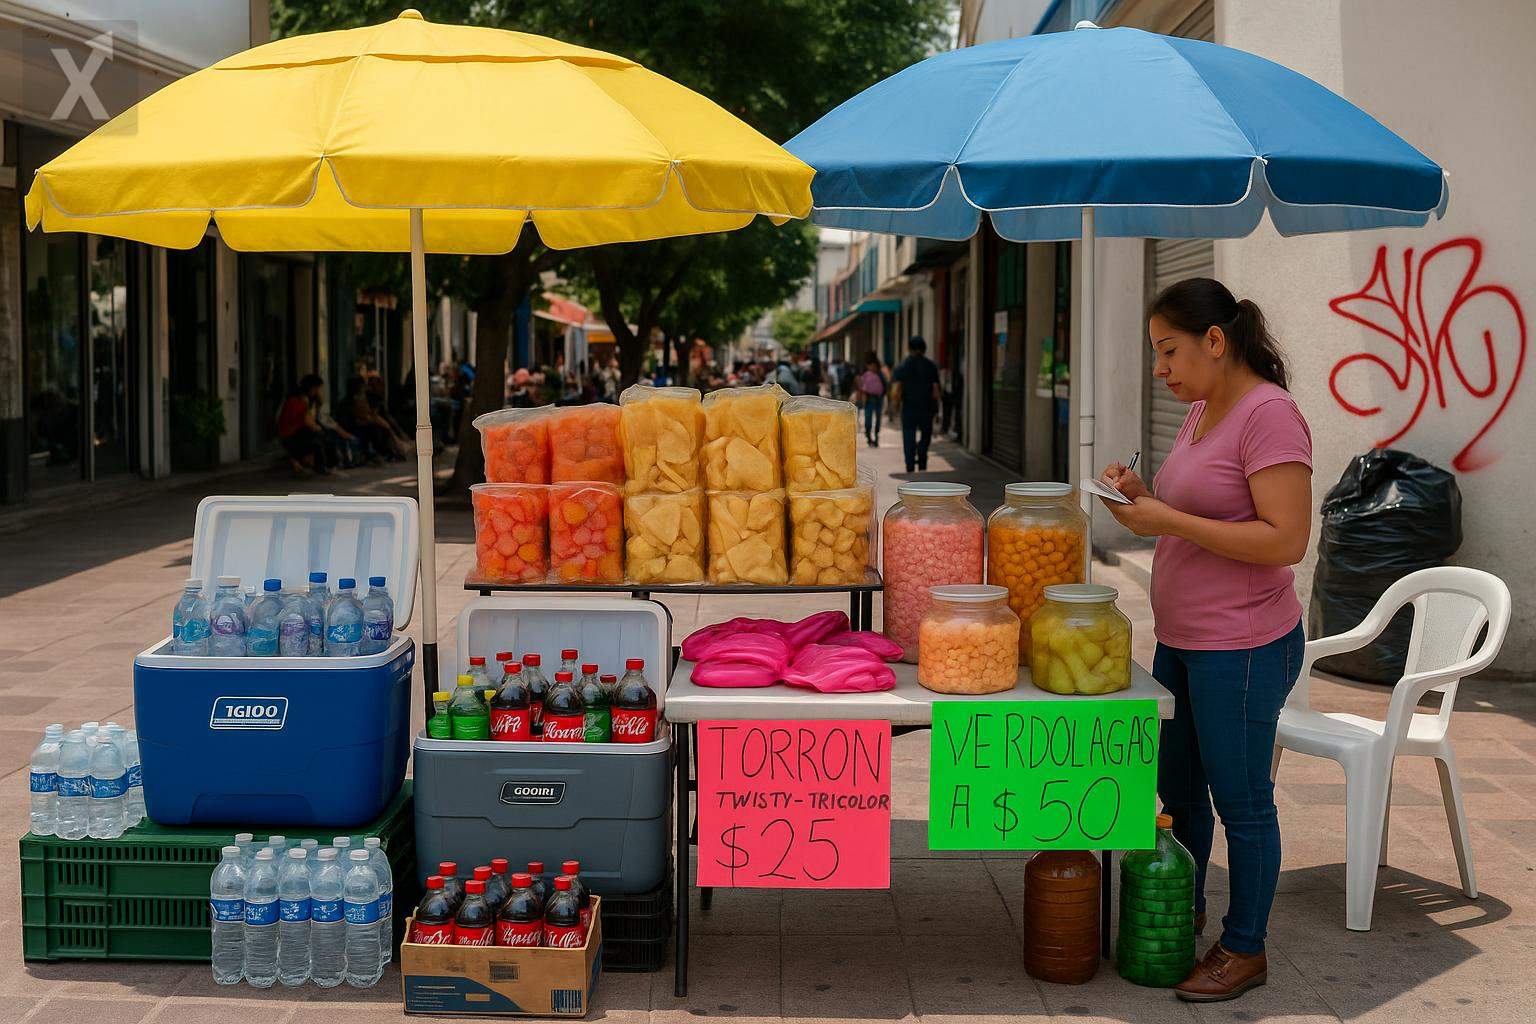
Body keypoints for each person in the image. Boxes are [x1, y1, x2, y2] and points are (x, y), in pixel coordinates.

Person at [1098, 278, 1311, 1004]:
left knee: (1241, 802)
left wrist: (1166, 521)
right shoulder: (1200, 408)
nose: (1160, 370)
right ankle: (1181, 916)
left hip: (1242, 646)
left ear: (1215, 341)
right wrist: (1140, 496)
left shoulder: (1270, 415)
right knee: (1181, 795)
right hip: (1184, 640)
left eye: (1169, 351)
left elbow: (1285, 540)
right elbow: (1197, 508)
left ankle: (1244, 947)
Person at [889, 336, 941, 473]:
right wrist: (937, 408)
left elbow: (896, 389)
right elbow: (935, 389)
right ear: (924, 349)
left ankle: (910, 466)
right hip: (927, 408)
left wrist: (895, 407)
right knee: (926, 435)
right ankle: (922, 460)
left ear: (909, 348)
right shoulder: (931, 366)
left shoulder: (902, 366)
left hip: (909, 408)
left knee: (908, 436)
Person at [276, 375, 327, 475]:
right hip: (291, 434)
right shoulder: (296, 401)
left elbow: (311, 420)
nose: (317, 392)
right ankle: (310, 462)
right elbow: (308, 422)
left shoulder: (306, 400)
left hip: (298, 432)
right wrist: (317, 428)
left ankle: (311, 462)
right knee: (316, 434)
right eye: (316, 389)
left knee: (320, 432)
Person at [853, 353, 885, 447]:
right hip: (873, 397)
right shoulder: (877, 373)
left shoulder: (876, 373)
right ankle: (871, 436)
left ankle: (872, 436)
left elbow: (861, 385)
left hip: (872, 397)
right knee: (873, 417)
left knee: (871, 417)